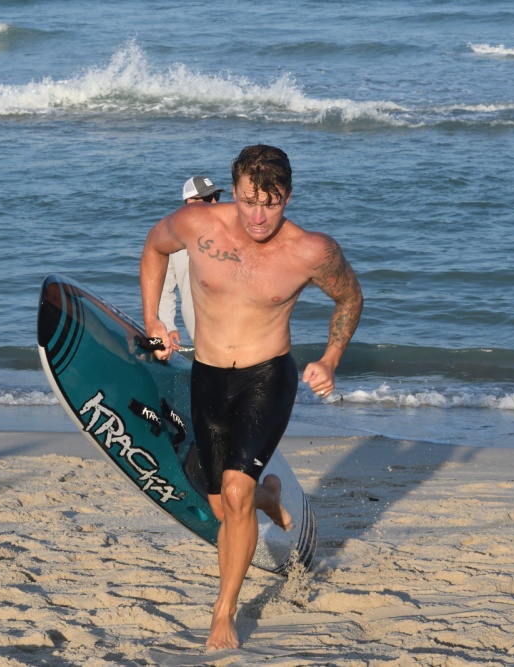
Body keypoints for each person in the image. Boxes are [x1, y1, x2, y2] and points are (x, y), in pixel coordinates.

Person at [140, 144, 363, 650]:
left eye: (271, 203)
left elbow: (350, 296)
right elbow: (154, 248)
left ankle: (223, 613)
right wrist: (154, 320)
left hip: (267, 377)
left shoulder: (311, 251)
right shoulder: (198, 226)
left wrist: (330, 358)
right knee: (225, 509)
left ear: (288, 196)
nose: (259, 217)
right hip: (208, 376)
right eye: (247, 201)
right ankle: (269, 496)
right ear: (234, 192)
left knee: (235, 496)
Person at [158, 175, 224, 346]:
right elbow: (165, 288)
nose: (215, 202)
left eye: (216, 196)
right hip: (198, 331)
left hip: (236, 329)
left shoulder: (229, 232)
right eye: (208, 198)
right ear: (190, 202)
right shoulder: (171, 239)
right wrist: (168, 326)